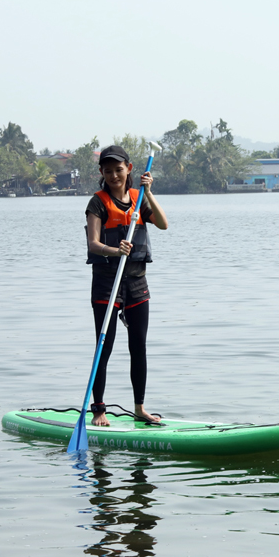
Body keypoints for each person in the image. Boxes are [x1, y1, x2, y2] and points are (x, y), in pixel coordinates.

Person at [84, 145, 169, 425]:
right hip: (107, 284)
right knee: (103, 347)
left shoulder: (139, 198)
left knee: (139, 347)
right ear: (102, 173)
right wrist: (114, 250)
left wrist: (149, 191)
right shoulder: (97, 203)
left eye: (118, 169)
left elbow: (163, 224)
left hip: (136, 284)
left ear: (129, 169)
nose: (113, 175)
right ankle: (98, 410)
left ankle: (139, 408)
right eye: (107, 171)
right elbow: (94, 244)